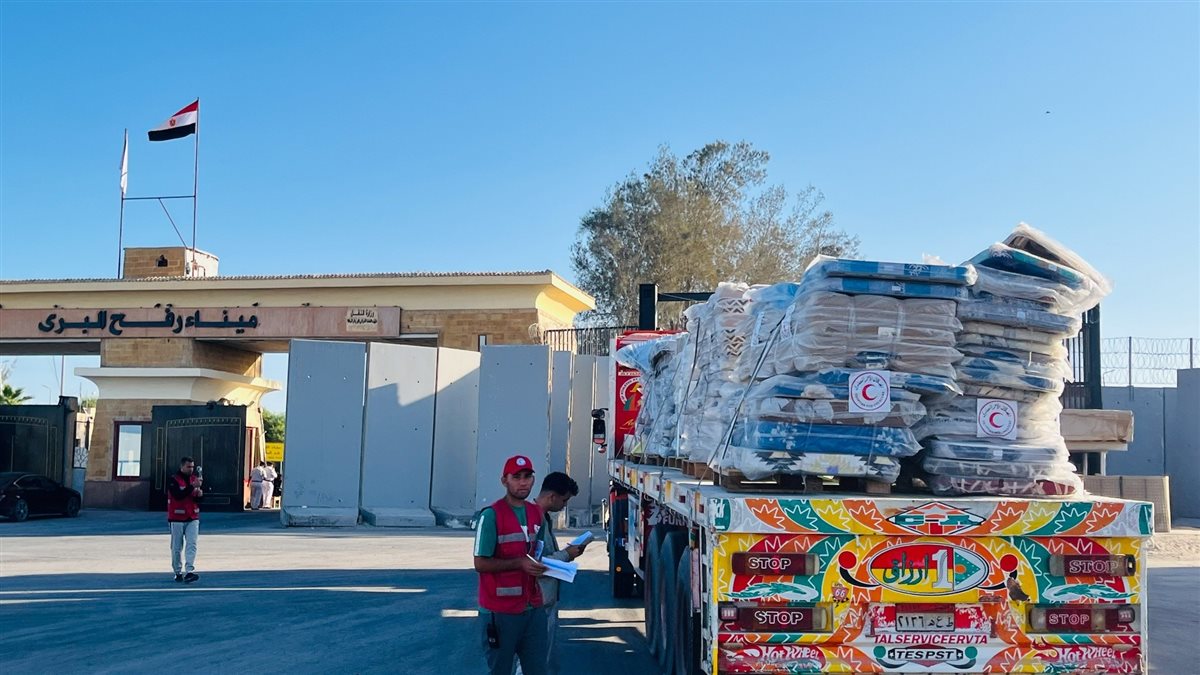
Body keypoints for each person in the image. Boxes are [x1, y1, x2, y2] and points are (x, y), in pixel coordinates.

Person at [474, 455, 550, 675]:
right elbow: (480, 563)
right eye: (516, 477)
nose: (523, 482)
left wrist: (546, 566)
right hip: (500, 611)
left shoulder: (536, 514)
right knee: (500, 670)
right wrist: (519, 563)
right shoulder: (491, 516)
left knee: (538, 670)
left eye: (527, 476)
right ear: (504, 481)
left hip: (533, 608)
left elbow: (538, 553)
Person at [533, 472, 589, 675]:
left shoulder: (543, 519)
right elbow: (534, 564)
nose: (564, 506)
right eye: (564, 500)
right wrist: (566, 554)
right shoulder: (534, 522)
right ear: (552, 497)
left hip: (544, 601)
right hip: (537, 602)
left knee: (539, 660)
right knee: (532, 660)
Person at [167, 456, 202, 583]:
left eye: (192, 467)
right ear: (182, 467)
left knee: (192, 544)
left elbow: (196, 499)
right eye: (188, 467)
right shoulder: (174, 480)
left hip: (192, 516)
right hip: (177, 518)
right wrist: (192, 487)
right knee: (176, 547)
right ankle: (177, 571)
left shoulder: (194, 479)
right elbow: (178, 495)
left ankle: (189, 571)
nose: (191, 469)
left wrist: (200, 495)